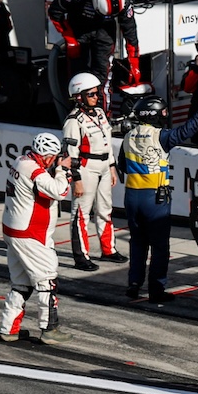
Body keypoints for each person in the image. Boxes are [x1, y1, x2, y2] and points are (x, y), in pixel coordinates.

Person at [118, 94, 198, 303]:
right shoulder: (161, 136)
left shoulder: (128, 136)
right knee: (159, 246)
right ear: (154, 114)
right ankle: (156, 290)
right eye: (163, 111)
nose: (165, 114)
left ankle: (134, 284)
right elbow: (188, 130)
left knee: (137, 243)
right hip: (154, 198)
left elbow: (122, 165)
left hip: (131, 196)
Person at [0, 133, 73, 344]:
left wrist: (55, 168)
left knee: (21, 284)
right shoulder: (34, 171)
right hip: (30, 234)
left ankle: (9, 329)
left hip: (14, 230)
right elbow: (58, 191)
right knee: (46, 281)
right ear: (49, 156)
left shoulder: (21, 161)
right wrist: (63, 170)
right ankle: (49, 329)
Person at [63, 72, 126, 272]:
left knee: (105, 209)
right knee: (81, 213)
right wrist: (77, 179)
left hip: (104, 167)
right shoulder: (73, 120)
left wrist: (112, 166)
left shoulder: (99, 113)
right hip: (85, 168)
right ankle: (81, 256)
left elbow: (107, 144)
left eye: (97, 93)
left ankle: (109, 249)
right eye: (91, 94)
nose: (96, 97)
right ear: (78, 96)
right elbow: (69, 154)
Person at [48, 0, 140, 113]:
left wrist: (134, 61)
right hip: (78, 30)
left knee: (102, 77)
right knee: (77, 76)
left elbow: (130, 30)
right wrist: (69, 37)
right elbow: (55, 13)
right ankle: (77, 114)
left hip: (104, 31)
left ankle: (103, 116)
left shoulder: (123, 0)